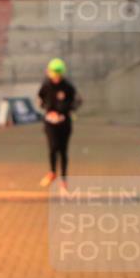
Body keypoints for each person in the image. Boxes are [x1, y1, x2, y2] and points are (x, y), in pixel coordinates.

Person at [38, 58, 79, 190]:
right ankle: (52, 172)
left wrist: (65, 110)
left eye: (58, 74)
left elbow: (76, 101)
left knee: (63, 151)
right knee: (52, 148)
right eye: (53, 73)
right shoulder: (46, 85)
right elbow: (40, 99)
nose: (55, 77)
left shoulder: (68, 87)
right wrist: (48, 110)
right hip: (50, 123)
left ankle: (64, 180)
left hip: (64, 123)